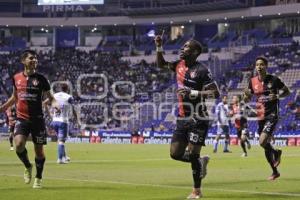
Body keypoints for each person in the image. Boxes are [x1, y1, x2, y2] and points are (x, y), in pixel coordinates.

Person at [155, 35, 220, 199]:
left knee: (192, 154)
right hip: (182, 118)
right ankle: (200, 162)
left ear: (195, 52)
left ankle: (196, 190)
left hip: (199, 117)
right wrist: (159, 46)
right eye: (183, 47)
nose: (182, 49)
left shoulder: (203, 70)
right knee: (175, 154)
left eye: (186, 47)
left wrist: (193, 92)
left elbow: (215, 92)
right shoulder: (179, 65)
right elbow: (161, 64)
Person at [0, 50, 58, 189]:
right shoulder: (16, 78)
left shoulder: (41, 79)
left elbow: (51, 98)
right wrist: (3, 107)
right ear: (23, 61)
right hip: (22, 118)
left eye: (36, 58)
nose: (34, 60)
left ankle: (38, 178)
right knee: (19, 144)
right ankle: (27, 166)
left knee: (39, 151)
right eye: (31, 58)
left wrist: (55, 105)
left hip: (37, 119)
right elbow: (15, 97)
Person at [243, 56, 290, 180]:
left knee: (263, 141)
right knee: (264, 144)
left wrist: (278, 96)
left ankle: (276, 153)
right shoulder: (252, 81)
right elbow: (247, 99)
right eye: (257, 64)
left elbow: (287, 91)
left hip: (272, 115)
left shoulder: (274, 79)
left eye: (262, 64)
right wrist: (245, 96)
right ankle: (275, 170)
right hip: (260, 116)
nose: (259, 67)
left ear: (266, 66)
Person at [48, 84, 78, 164]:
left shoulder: (55, 95)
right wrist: (77, 119)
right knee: (61, 141)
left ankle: (64, 156)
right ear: (67, 89)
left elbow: (45, 103)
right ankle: (60, 159)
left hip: (54, 121)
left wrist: (50, 114)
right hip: (63, 121)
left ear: (60, 88)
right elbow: (74, 108)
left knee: (60, 140)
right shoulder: (68, 97)